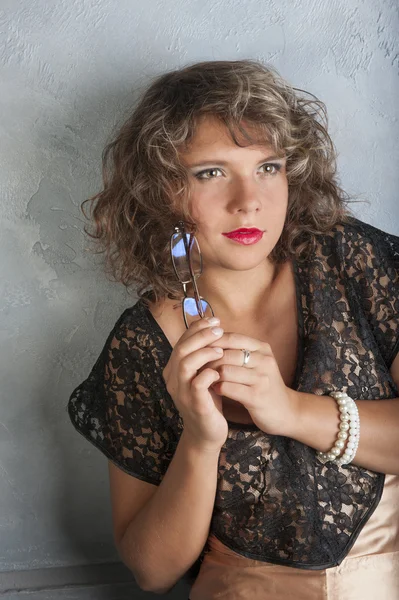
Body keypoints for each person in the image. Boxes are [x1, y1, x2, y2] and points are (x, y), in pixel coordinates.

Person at [67, 59, 399, 599]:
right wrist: (200, 441)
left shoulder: (353, 261)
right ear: (162, 192)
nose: (249, 200)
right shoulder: (140, 343)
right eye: (211, 172)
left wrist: (291, 410)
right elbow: (152, 573)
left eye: (268, 167)